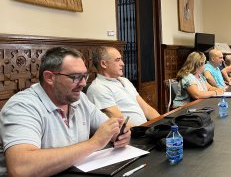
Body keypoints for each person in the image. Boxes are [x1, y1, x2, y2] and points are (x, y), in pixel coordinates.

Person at [0, 47, 130, 176]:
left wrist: (119, 134)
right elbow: (20, 169)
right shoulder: (22, 106)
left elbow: (109, 128)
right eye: (75, 77)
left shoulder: (80, 99)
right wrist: (94, 143)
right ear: (49, 77)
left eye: (85, 75)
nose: (84, 83)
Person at [87, 46, 160, 127]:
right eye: (117, 60)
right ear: (104, 64)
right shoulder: (98, 88)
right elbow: (120, 121)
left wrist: (163, 124)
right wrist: (144, 134)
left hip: (144, 130)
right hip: (130, 136)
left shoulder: (125, 81)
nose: (122, 63)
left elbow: (146, 108)